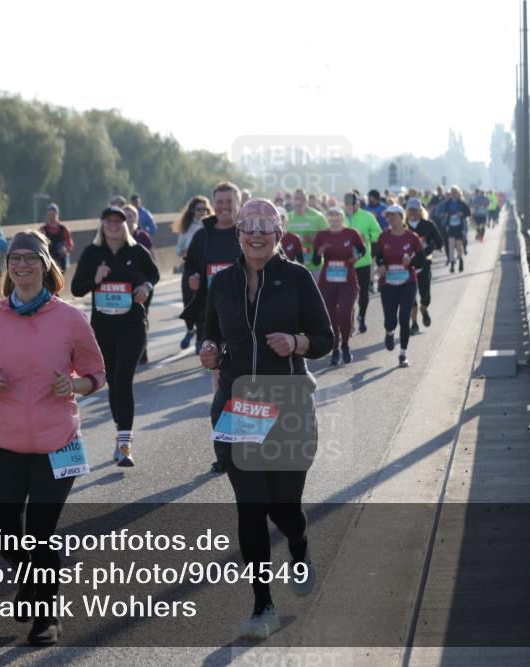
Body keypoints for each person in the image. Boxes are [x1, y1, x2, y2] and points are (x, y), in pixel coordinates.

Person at [198, 198, 332, 640]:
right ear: (237, 233)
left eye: (265, 227)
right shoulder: (223, 283)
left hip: (290, 401)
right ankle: (262, 605)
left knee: (284, 508)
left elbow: (325, 338)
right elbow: (210, 330)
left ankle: (299, 545)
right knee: (251, 508)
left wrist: (295, 343)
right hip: (241, 406)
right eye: (247, 226)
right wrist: (209, 351)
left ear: (279, 234)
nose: (256, 234)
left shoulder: (296, 278)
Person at [0, 230, 106, 646]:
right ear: (7, 267)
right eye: (15, 258)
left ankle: (47, 618)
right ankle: (30, 578)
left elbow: (96, 372)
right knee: (4, 533)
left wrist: (76, 387)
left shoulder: (69, 319)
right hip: (7, 442)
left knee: (42, 534)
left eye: (31, 258)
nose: (22, 265)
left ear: (46, 264)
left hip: (58, 441)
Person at [72, 207, 159, 466]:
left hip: (132, 324)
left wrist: (146, 286)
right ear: (102, 225)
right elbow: (76, 289)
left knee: (123, 377)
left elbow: (153, 273)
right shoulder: (92, 253)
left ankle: (124, 444)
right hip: (103, 327)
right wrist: (95, 279)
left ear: (125, 226)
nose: (113, 225)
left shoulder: (136, 252)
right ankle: (121, 430)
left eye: (118, 221)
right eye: (109, 221)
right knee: (112, 380)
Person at [181, 182, 244, 473]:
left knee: (243, 384)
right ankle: (225, 451)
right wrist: (194, 280)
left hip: (246, 319)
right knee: (220, 383)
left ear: (238, 202)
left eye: (229, 201)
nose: (223, 206)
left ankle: (245, 441)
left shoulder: (247, 233)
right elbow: (190, 270)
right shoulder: (202, 237)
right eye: (219, 201)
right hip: (214, 320)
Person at [311, 207, 365, 365]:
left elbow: (362, 250)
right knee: (330, 317)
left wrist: (356, 257)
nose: (334, 218)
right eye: (331, 215)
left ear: (342, 218)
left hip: (348, 279)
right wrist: (319, 253)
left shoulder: (351, 233)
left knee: (344, 314)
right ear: (328, 218)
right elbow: (315, 261)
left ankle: (345, 344)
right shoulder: (321, 235)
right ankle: (335, 349)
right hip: (328, 282)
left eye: (337, 215)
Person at [376, 204, 426, 367]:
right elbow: (378, 256)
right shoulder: (384, 237)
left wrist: (411, 261)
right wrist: (382, 264)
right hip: (388, 283)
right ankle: (389, 332)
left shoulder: (412, 238)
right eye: (388, 216)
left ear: (401, 216)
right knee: (390, 319)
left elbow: (422, 260)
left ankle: (403, 354)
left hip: (408, 283)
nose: (389, 219)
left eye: (392, 216)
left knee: (404, 318)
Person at [175, 196, 212, 350]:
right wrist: (187, 251)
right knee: (188, 304)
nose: (202, 212)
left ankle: (200, 340)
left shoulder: (212, 226)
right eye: (199, 209)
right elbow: (178, 250)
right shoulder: (187, 228)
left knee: (203, 305)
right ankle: (190, 330)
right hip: (190, 269)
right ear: (192, 210)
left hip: (205, 271)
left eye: (205, 209)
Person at [344, 192, 381, 334]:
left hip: (363, 262)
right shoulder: (340, 217)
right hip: (346, 263)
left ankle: (362, 317)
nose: (350, 206)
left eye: (352, 204)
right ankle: (350, 322)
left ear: (358, 203)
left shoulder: (367, 216)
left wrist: (367, 236)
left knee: (363, 294)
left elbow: (378, 233)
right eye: (347, 204)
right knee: (348, 295)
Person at [405, 199, 444, 330]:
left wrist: (431, 246)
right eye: (409, 210)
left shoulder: (428, 225)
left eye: (415, 210)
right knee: (410, 297)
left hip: (425, 263)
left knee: (425, 295)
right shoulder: (403, 227)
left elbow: (439, 241)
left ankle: (424, 309)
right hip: (408, 266)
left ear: (420, 211)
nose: (412, 213)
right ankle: (414, 324)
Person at [122, 205, 155, 364]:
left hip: (142, 286)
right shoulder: (116, 239)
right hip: (123, 287)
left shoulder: (143, 237)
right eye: (125, 216)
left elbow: (153, 261)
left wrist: (146, 281)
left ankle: (142, 351)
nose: (128, 219)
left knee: (140, 318)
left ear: (136, 219)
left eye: (131, 216)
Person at [286, 188, 328, 273]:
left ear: (307, 200)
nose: (299, 202)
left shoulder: (318, 216)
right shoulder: (287, 218)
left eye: (302, 199)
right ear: (292, 201)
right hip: (292, 266)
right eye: (296, 199)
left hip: (314, 266)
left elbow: (328, 238)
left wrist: (315, 239)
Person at [441, 186, 472, 273]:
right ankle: (452, 264)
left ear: (458, 194)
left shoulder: (462, 203)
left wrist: (462, 214)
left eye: (455, 193)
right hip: (450, 227)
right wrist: (446, 215)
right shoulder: (447, 203)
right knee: (451, 246)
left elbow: (468, 213)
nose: (454, 194)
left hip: (459, 227)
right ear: (450, 194)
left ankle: (461, 260)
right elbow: (444, 213)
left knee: (459, 247)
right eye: (452, 193)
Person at [39, 203, 74, 273]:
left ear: (57, 215)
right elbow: (37, 246)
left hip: (60, 262)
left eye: (53, 214)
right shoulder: (42, 230)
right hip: (48, 260)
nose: (52, 217)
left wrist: (65, 250)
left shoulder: (64, 229)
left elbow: (70, 245)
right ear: (47, 215)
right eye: (50, 214)